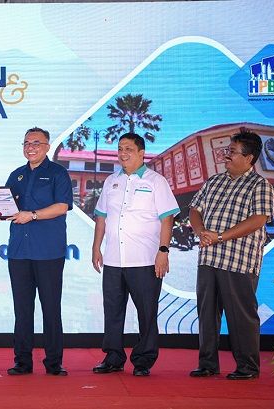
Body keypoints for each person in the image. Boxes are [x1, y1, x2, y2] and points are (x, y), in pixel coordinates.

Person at [91, 132, 179, 377]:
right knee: (112, 311)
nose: (123, 153)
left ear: (142, 153)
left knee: (146, 312)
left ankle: (143, 360)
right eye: (120, 148)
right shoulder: (111, 181)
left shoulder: (156, 181)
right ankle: (113, 357)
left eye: (128, 149)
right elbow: (101, 217)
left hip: (145, 259)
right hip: (113, 259)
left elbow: (167, 219)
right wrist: (96, 247)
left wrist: (163, 251)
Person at [188, 130, 274, 380]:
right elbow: (195, 209)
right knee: (206, 314)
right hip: (208, 259)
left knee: (241, 316)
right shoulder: (214, 181)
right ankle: (207, 364)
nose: (226, 155)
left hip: (239, 262)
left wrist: (220, 236)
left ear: (249, 158)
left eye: (232, 152)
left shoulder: (260, 185)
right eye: (228, 150)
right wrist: (201, 232)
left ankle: (247, 367)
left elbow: (258, 220)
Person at [5, 127, 73, 376]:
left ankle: (54, 362)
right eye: (26, 143)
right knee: (22, 309)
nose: (30, 147)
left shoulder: (58, 173)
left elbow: (62, 207)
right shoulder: (16, 175)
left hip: (48, 252)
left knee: (51, 308)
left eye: (36, 142)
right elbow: (6, 207)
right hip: (19, 252)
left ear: (47, 146)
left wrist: (32, 215)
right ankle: (22, 362)